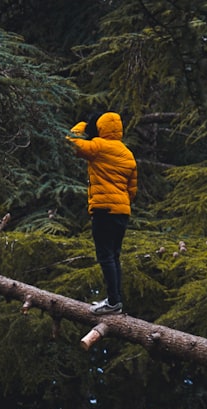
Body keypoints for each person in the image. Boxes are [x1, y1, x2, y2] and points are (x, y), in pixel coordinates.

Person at [67, 111, 138, 315]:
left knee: (105, 256)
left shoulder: (99, 146)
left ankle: (113, 303)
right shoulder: (127, 153)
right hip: (122, 211)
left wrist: (82, 126)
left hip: (104, 209)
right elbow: (132, 190)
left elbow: (70, 143)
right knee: (114, 256)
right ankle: (115, 299)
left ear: (101, 128)